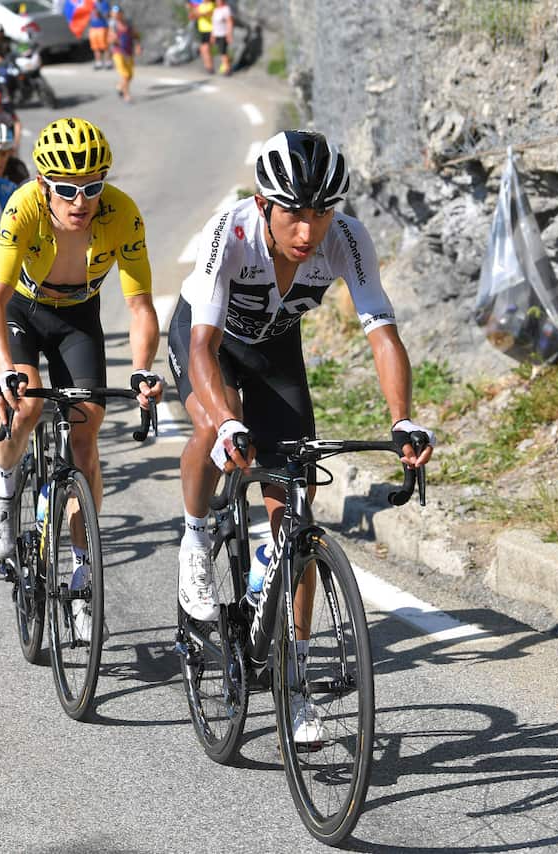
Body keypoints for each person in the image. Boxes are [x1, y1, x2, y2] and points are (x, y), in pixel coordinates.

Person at [167, 129, 435, 638]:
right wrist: (228, 423)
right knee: (211, 426)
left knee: (297, 510)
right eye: (294, 213)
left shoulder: (348, 239)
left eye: (321, 214)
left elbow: (382, 333)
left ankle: (297, 670)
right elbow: (201, 345)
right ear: (264, 204)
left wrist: (402, 418)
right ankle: (197, 540)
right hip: (209, 341)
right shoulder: (231, 231)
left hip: (274, 350)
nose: (308, 232)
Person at [0, 118, 164, 582]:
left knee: (85, 434)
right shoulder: (22, 207)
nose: (80, 202)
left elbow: (140, 306)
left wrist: (141, 369)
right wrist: (2, 369)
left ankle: (83, 569)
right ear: (44, 185)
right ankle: (2, 486)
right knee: (23, 406)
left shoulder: (121, 213)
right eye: (66, 189)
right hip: (23, 310)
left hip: (78, 316)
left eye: (92, 187)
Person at [109, 7, 142, 103]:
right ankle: (126, 95)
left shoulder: (129, 24)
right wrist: (113, 39)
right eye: (114, 13)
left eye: (118, 13)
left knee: (130, 75)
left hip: (128, 52)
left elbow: (136, 36)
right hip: (118, 53)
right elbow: (109, 40)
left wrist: (138, 46)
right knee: (126, 75)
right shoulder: (112, 26)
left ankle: (120, 87)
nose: (116, 15)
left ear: (121, 13)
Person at [189, 0, 216, 74]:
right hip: (202, 30)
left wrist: (197, 13)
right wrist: (194, 12)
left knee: (206, 48)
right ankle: (207, 66)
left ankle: (210, 67)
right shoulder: (201, 5)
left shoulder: (211, 4)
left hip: (210, 29)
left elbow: (208, 14)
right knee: (203, 49)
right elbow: (192, 16)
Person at [210, 0, 234, 75]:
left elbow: (229, 22)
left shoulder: (226, 9)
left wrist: (229, 34)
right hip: (217, 33)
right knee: (221, 52)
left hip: (223, 34)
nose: (218, 1)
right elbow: (214, 24)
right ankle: (227, 65)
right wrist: (212, 35)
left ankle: (227, 69)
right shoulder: (216, 10)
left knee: (223, 52)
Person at [87, 1, 111, 70]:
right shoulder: (91, 3)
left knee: (105, 46)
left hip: (102, 27)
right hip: (93, 28)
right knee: (95, 47)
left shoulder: (104, 3)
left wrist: (99, 14)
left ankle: (108, 62)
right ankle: (98, 63)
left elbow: (107, 15)